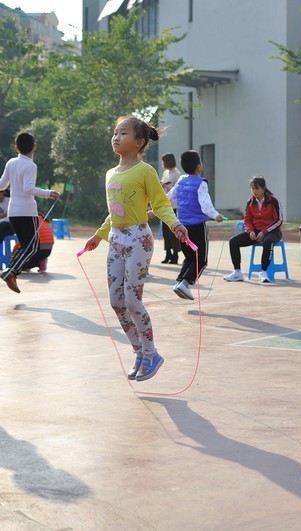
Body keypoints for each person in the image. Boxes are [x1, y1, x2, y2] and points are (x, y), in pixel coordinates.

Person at [83, 116, 188, 382]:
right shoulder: (110, 173)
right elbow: (113, 212)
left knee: (132, 300)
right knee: (116, 302)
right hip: (116, 240)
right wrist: (99, 235)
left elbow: (161, 204)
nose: (116, 137)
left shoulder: (145, 171)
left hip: (138, 239)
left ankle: (152, 353)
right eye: (115, 133)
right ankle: (139, 351)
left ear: (139, 142)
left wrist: (175, 224)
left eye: (123, 133)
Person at [0, 132, 59, 293]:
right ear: (34, 147)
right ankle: (11, 272)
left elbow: (2, 185)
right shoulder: (31, 166)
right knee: (33, 247)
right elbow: (28, 188)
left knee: (26, 245)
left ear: (16, 148)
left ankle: (11, 270)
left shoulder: (11, 162)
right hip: (26, 211)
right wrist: (48, 193)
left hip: (13, 212)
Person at [166, 150, 223, 299]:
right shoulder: (201, 183)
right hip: (197, 226)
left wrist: (155, 209)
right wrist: (216, 215)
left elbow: (169, 197)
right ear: (199, 166)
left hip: (181, 226)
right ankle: (185, 284)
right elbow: (205, 204)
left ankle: (180, 282)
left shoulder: (181, 180)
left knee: (190, 257)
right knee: (201, 260)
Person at [223, 176, 283, 283]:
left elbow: (279, 220)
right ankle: (237, 272)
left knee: (268, 242)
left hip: (273, 231)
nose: (254, 191)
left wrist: (264, 232)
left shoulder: (273, 200)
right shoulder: (250, 202)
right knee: (233, 241)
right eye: (252, 189)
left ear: (263, 188)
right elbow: (247, 220)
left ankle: (263, 272)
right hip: (255, 231)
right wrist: (250, 231)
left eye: (257, 188)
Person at [159, 152, 182, 264]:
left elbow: (178, 189)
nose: (162, 164)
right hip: (165, 205)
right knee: (165, 232)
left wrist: (166, 185)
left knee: (172, 231)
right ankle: (168, 253)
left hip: (174, 206)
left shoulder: (177, 174)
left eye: (163, 161)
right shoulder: (165, 173)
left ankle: (175, 254)